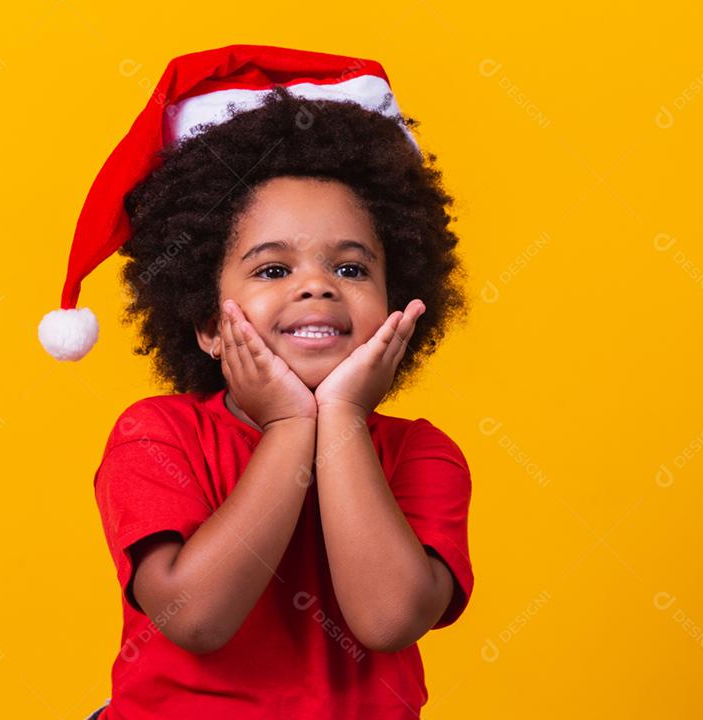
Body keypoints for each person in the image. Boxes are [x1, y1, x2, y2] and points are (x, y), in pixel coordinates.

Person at [40, 45, 474, 719]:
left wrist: (340, 423)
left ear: (399, 305)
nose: (316, 285)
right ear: (207, 323)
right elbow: (196, 617)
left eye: (353, 269)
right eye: (272, 270)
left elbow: (389, 618)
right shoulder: (156, 436)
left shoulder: (423, 454)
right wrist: (291, 425)